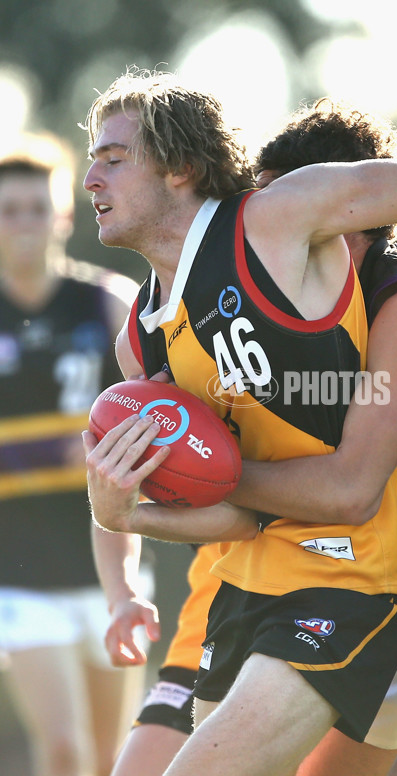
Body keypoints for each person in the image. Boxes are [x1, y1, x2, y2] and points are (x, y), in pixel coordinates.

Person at [81, 73, 397, 776]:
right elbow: (244, 512)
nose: (90, 178)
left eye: (111, 157)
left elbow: (342, 490)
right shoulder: (161, 327)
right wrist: (124, 512)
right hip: (373, 600)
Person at [0, 132, 155, 776]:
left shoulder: (110, 302)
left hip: (108, 563)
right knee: (62, 752)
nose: (25, 222)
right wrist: (53, 450)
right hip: (19, 572)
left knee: (107, 757)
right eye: (9, 209)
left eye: (39, 206)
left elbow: (159, 412)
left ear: (64, 213)